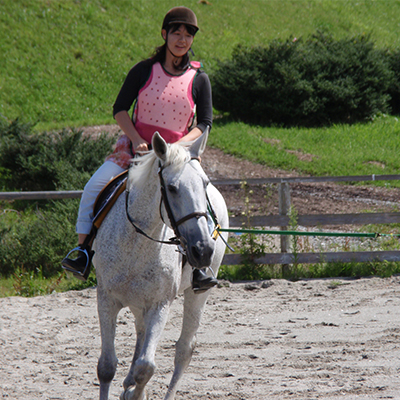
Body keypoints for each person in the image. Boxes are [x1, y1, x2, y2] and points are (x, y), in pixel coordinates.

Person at [62, 6, 217, 291]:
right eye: (176, 33)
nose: (182, 39)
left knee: (200, 198)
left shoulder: (199, 79)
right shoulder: (144, 70)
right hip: (136, 152)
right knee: (93, 187)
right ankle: (83, 251)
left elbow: (205, 123)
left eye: (188, 35)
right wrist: (135, 138)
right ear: (164, 34)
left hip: (177, 157)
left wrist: (177, 148)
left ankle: (200, 266)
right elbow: (120, 109)